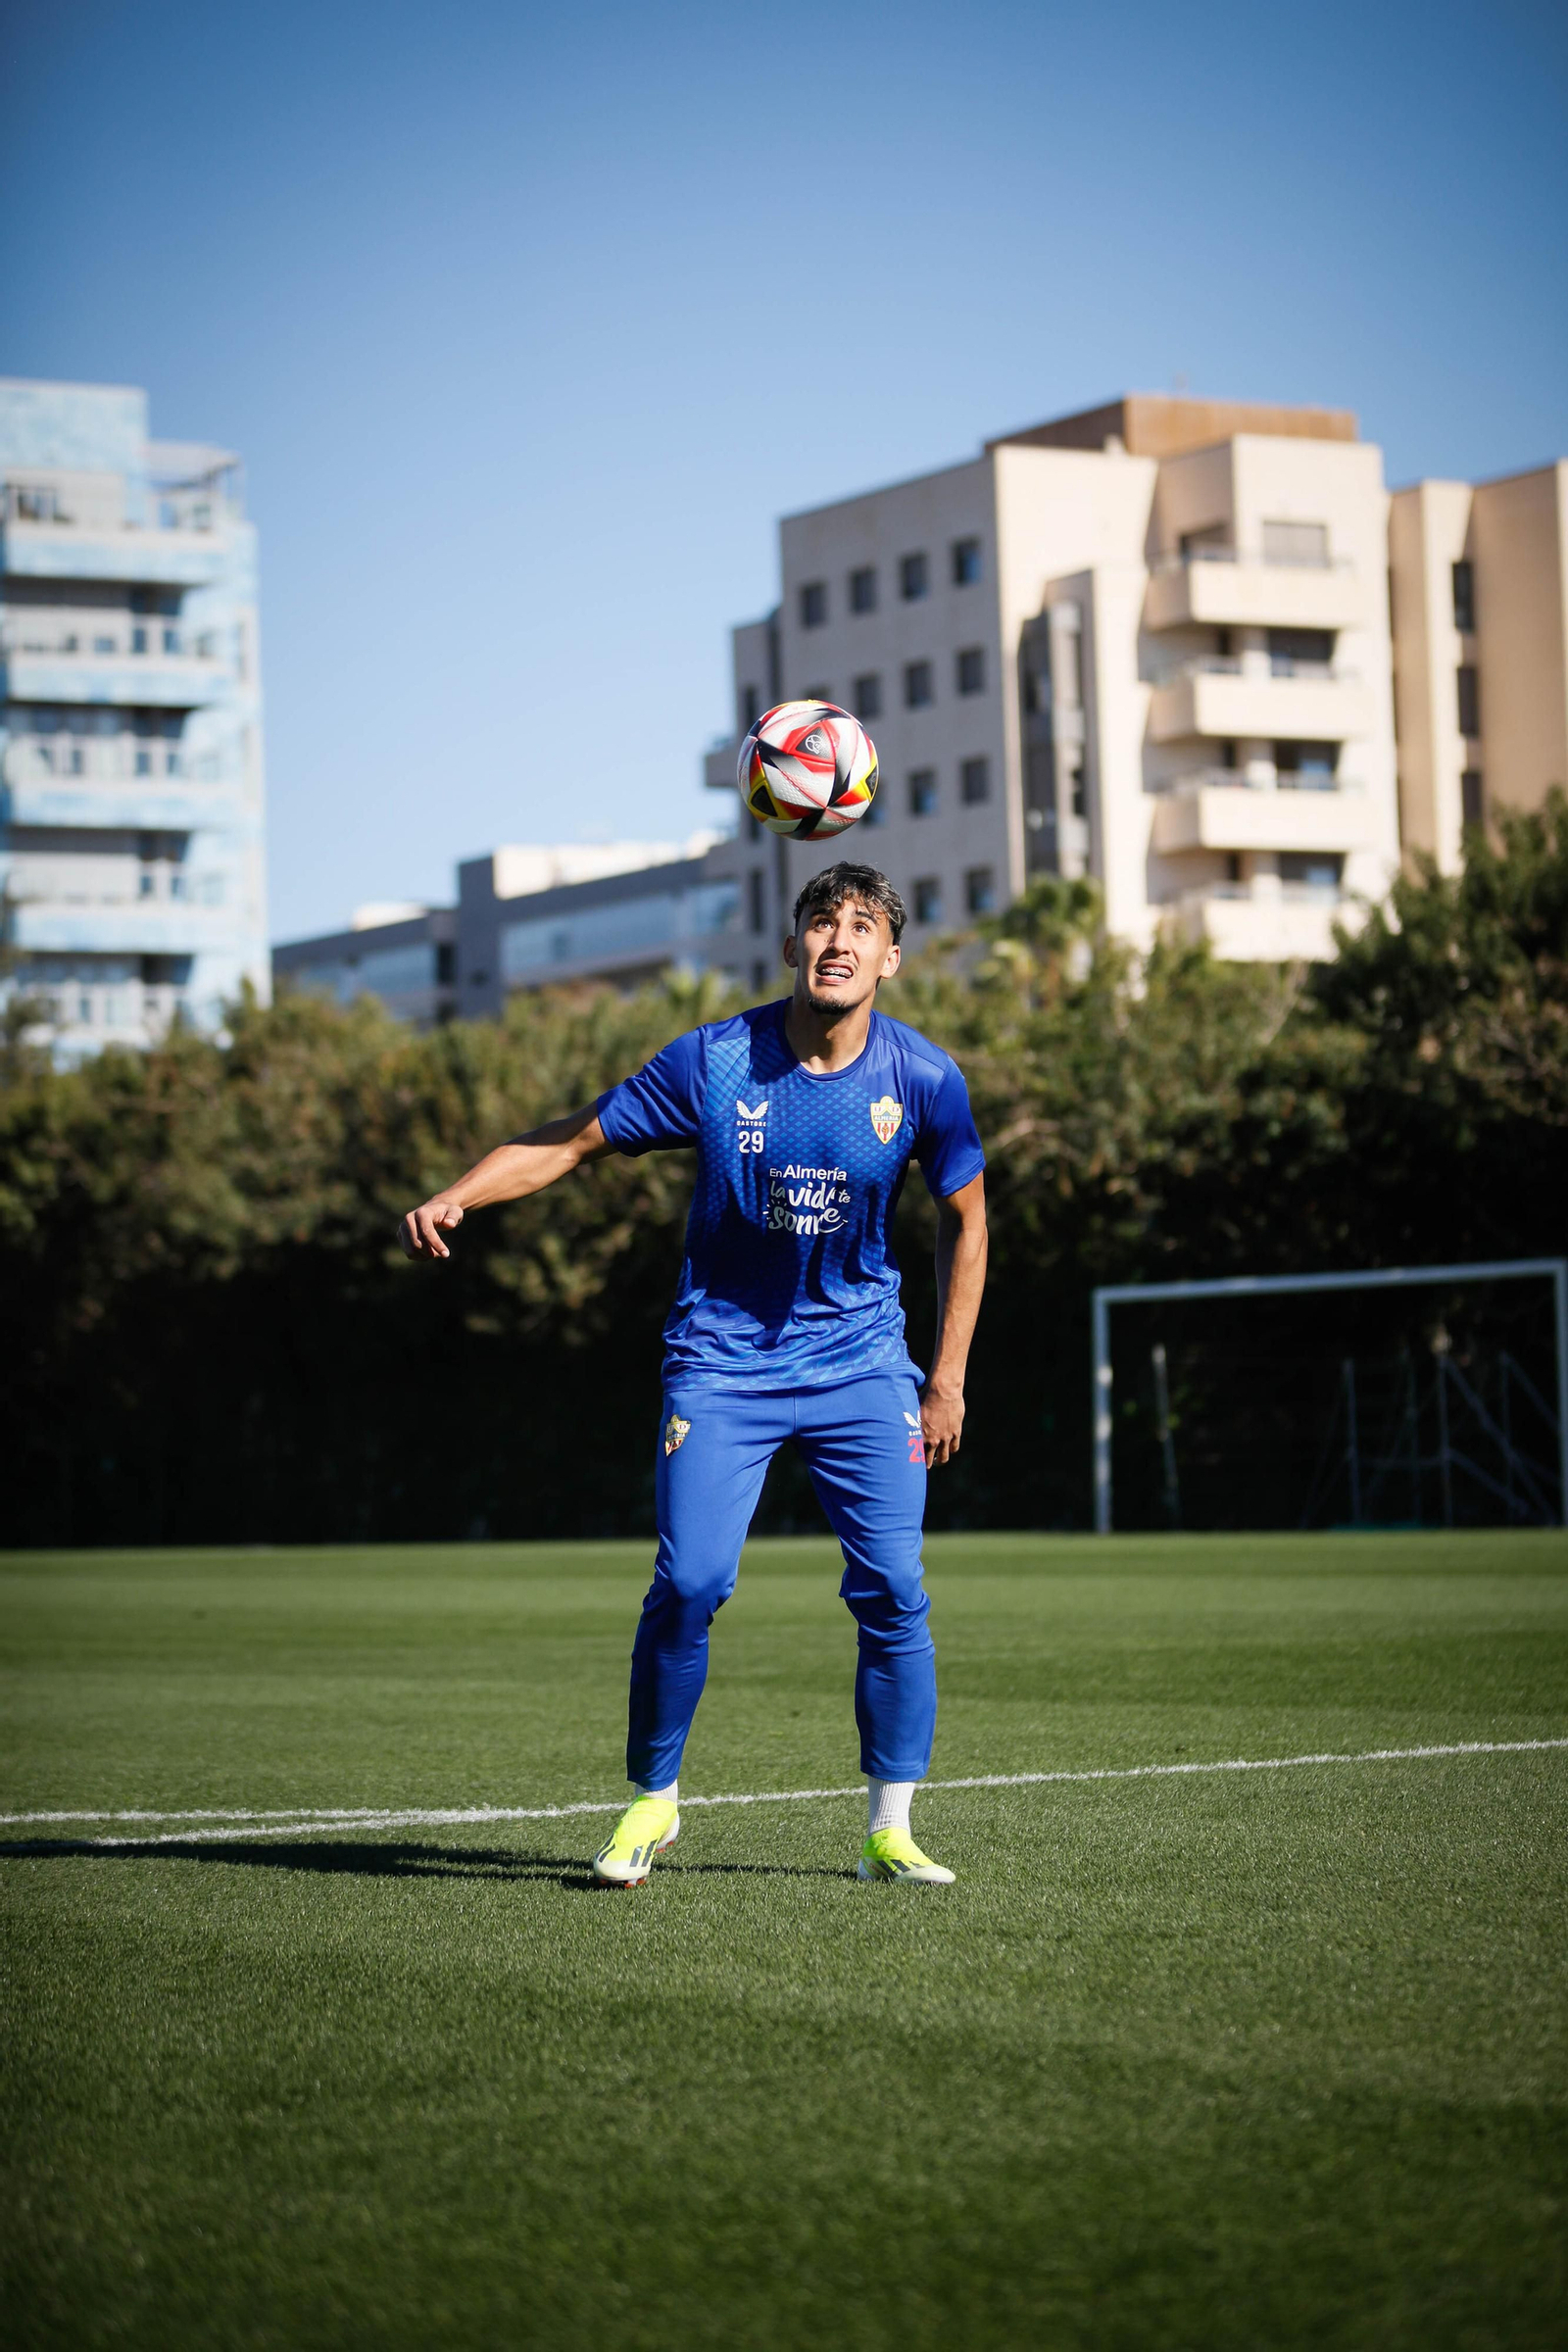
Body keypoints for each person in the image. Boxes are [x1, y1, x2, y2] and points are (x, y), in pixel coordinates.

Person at [398, 860, 988, 1887]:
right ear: (793, 943)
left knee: (893, 1588)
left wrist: (946, 1379)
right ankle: (651, 1803)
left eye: (861, 926)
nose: (838, 940)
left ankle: (889, 1829)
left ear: (891, 957)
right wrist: (463, 1194)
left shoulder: (923, 1079)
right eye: (820, 921)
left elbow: (967, 1220)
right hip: (720, 1363)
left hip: (859, 1364)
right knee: (691, 1582)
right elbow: (572, 1141)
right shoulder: (714, 1061)